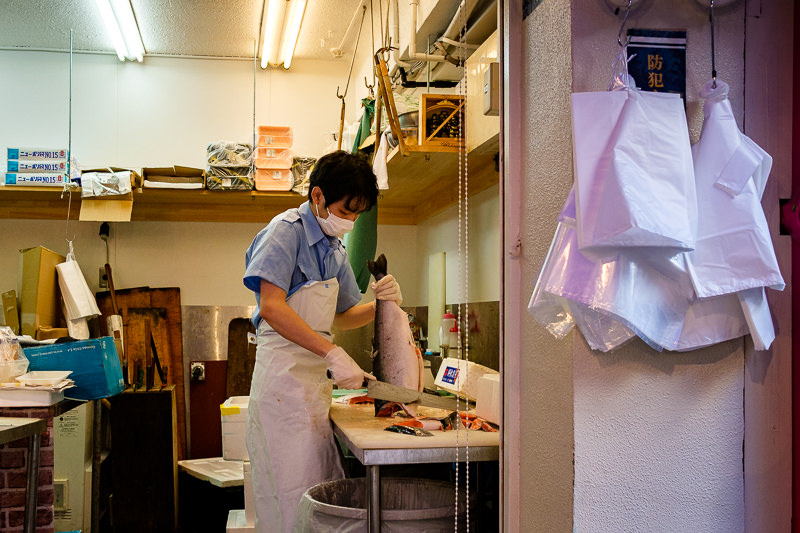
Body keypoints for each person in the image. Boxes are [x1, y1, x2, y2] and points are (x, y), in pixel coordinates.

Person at [243, 150, 403, 532]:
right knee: (289, 503)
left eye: (357, 215)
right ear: (317, 196)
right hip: (281, 388)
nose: (350, 222)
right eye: (346, 211)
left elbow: (341, 315)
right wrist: (332, 352)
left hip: (313, 391)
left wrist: (381, 305)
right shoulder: (286, 232)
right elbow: (272, 307)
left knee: (318, 499)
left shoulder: (335, 249)